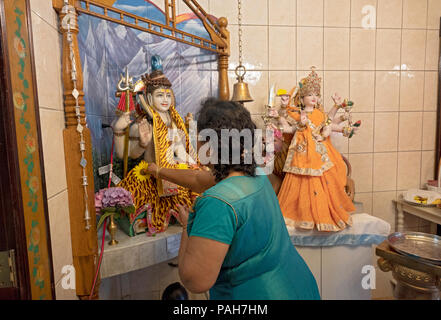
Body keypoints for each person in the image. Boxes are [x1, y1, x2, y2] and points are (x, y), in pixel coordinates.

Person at [166, 98, 320, 300]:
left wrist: (189, 228)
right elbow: (199, 179)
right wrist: (159, 171)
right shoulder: (256, 174)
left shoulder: (217, 203)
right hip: (297, 286)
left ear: (208, 144)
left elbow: (195, 281)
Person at [112, 55, 199, 234]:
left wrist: (193, 163)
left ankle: (180, 216)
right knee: (140, 196)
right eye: (160, 95)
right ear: (150, 98)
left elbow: (179, 150)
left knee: (192, 182)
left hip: (170, 170)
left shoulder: (173, 122)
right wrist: (141, 143)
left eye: (168, 95)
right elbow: (127, 155)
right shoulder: (145, 123)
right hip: (151, 172)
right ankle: (145, 220)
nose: (165, 99)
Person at [277, 68, 357, 232]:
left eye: (316, 95)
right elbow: (289, 128)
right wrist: (282, 113)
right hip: (302, 153)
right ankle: (302, 216)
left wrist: (341, 124)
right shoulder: (297, 114)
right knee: (300, 183)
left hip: (320, 152)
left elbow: (327, 123)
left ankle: (322, 214)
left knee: (330, 177)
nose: (314, 98)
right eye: (310, 95)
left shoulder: (320, 114)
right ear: (302, 97)